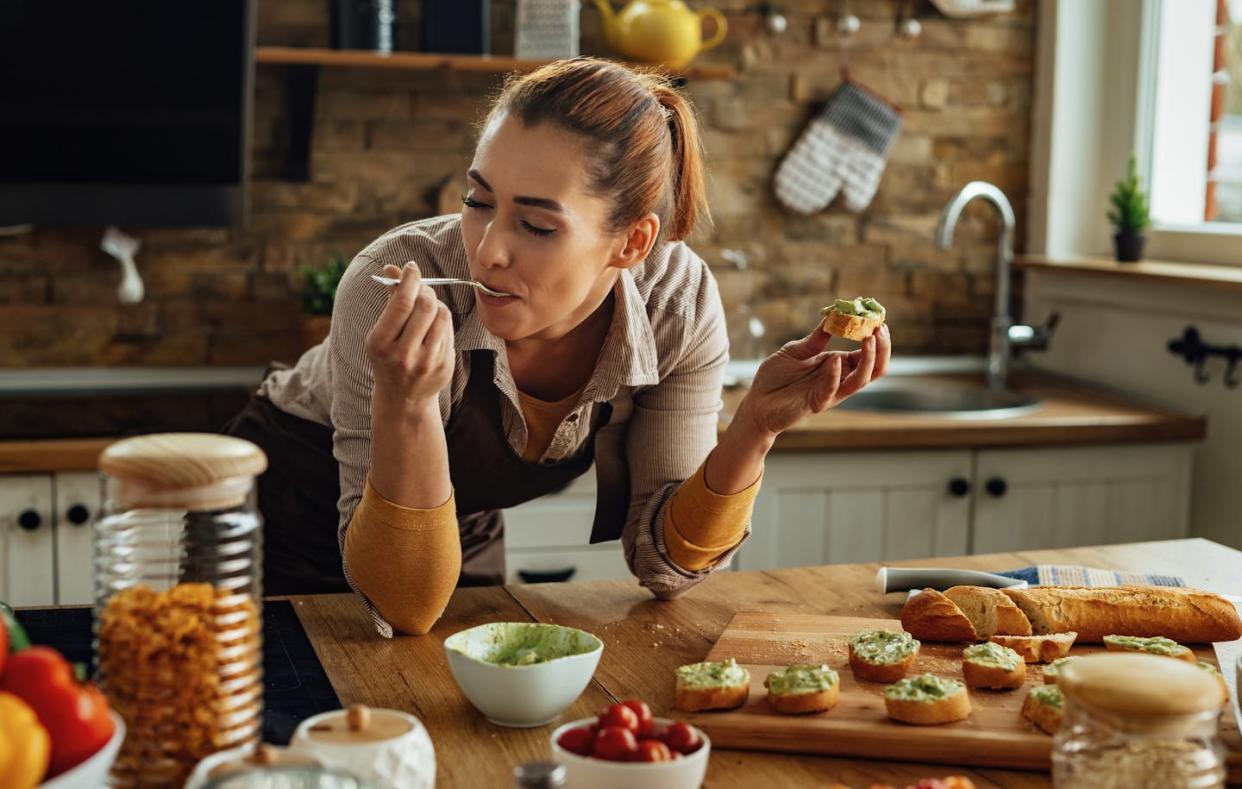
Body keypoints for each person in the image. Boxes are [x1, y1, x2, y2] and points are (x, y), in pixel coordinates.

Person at [225, 58, 891, 638]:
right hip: (289, 516)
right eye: (477, 200)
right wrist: (405, 405)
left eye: (537, 224)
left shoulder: (676, 306)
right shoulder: (402, 280)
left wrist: (752, 429)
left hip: (454, 521)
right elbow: (399, 605)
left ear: (631, 243)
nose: (487, 251)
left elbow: (665, 565)